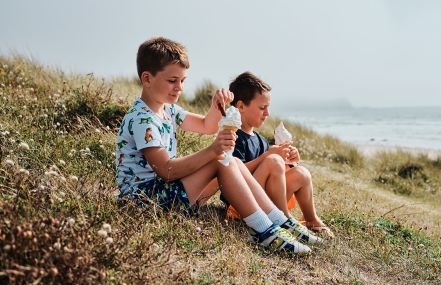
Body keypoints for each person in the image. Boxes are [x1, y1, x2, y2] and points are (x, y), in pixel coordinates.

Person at [114, 37, 318, 254]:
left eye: (183, 81)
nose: (179, 88)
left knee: (232, 161)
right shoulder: (143, 119)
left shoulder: (168, 110)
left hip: (162, 193)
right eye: (173, 80)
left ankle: (279, 221)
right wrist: (213, 151)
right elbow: (166, 170)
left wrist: (215, 106)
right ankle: (266, 232)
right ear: (147, 78)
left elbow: (206, 125)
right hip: (144, 202)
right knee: (221, 160)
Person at [226, 71, 334, 238]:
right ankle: (285, 220)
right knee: (273, 160)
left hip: (265, 199)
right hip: (243, 203)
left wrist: (289, 162)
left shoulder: (260, 140)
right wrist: (269, 157)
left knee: (301, 173)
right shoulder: (233, 136)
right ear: (241, 106)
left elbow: (272, 175)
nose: (267, 113)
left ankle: (312, 219)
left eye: (268, 108)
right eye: (262, 108)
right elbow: (232, 173)